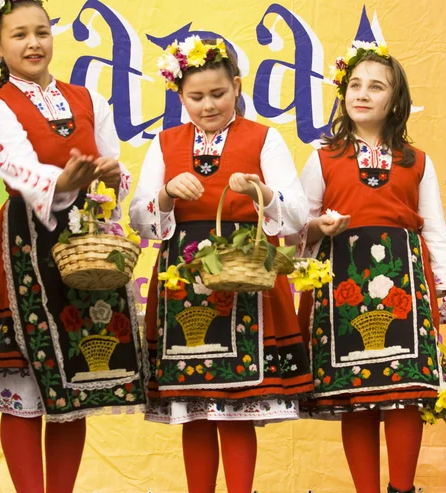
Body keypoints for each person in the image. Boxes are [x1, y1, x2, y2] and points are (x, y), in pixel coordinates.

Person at [294, 40, 446, 493]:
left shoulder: (417, 162)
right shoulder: (323, 156)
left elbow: (436, 234)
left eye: (376, 87)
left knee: (403, 397)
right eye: (355, 85)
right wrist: (319, 226)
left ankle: (402, 489)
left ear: (395, 100)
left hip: (406, 285)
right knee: (356, 398)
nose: (362, 93)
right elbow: (296, 231)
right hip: (341, 285)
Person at [129, 35, 313, 493]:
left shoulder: (263, 138)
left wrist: (262, 193)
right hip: (182, 283)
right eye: (196, 97)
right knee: (193, 406)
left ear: (236, 86)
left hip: (244, 279)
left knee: (235, 406)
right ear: (180, 96)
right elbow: (141, 222)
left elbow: (297, 214)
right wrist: (167, 195)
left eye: (218, 94)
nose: (208, 105)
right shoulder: (165, 142)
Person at [0, 1, 146, 491]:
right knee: (25, 390)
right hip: (24, 250)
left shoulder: (88, 98)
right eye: (19, 35)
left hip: (83, 247)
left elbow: (112, 161)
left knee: (73, 384)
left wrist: (112, 178)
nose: (33, 43)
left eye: (42, 32)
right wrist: (66, 181)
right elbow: (18, 168)